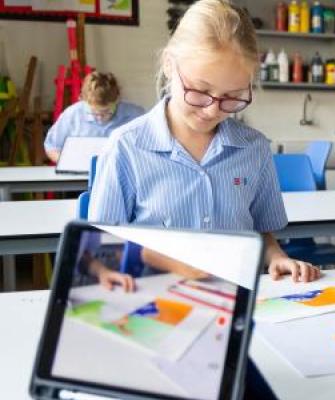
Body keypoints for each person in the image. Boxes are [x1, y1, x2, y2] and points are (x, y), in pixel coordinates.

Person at [88, 0, 320, 283]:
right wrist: (177, 265)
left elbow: (261, 231)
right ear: (169, 65)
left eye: (233, 96)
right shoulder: (126, 148)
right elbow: (104, 247)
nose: (212, 110)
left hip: (238, 301)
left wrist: (277, 258)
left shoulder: (254, 148)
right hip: (156, 305)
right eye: (199, 91)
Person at [44, 71, 144, 163]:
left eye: (107, 111)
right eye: (94, 113)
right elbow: (52, 146)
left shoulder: (136, 115)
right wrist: (68, 164)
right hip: (82, 175)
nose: (100, 117)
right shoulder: (72, 115)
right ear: (82, 100)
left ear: (117, 100)